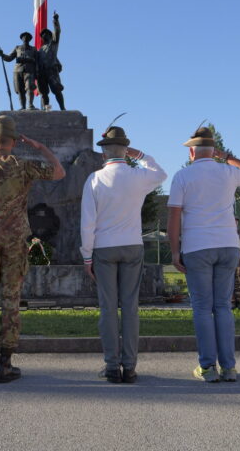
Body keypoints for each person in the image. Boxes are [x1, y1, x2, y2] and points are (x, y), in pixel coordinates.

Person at [0, 115, 65, 383]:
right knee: (10, 301)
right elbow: (59, 172)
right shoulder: (23, 166)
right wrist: (39, 147)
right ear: (14, 140)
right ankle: (6, 364)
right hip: (15, 241)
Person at [166, 126, 240, 383]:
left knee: (203, 308)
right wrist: (227, 157)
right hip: (228, 244)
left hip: (197, 246)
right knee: (223, 307)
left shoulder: (182, 176)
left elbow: (174, 217)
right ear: (213, 151)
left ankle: (207, 366)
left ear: (192, 152)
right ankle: (229, 367)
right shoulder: (228, 171)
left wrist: (174, 251)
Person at [80, 126, 167, 384]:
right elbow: (160, 173)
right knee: (130, 307)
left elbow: (87, 222)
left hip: (104, 247)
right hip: (132, 245)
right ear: (125, 150)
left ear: (103, 153)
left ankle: (111, 366)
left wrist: (87, 255)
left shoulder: (94, 179)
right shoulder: (138, 175)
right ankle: (129, 367)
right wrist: (140, 155)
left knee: (108, 308)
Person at [0, 32, 38, 110]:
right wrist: (2, 55)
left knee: (29, 86)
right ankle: (23, 107)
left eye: (27, 37)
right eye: (24, 37)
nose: (25, 38)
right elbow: (10, 57)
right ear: (22, 38)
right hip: (18, 71)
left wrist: (35, 68)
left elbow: (37, 61)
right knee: (20, 90)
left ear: (30, 39)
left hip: (29, 70)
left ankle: (30, 105)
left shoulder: (33, 49)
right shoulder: (17, 48)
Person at [37, 13, 65, 111]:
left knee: (57, 90)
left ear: (49, 35)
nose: (44, 35)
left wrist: (55, 21)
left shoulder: (53, 44)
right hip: (42, 73)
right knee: (44, 94)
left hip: (51, 71)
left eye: (46, 33)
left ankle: (62, 108)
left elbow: (57, 32)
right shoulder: (40, 50)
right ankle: (47, 110)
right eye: (42, 34)